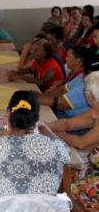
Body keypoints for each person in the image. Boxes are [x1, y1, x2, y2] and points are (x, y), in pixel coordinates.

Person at [0, 90, 69, 197]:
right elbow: (66, 153)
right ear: (37, 117)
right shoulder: (57, 146)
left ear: (8, 113)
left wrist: (5, 131)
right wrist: (45, 127)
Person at [40, 71, 99, 211]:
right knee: (61, 170)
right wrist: (45, 125)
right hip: (93, 167)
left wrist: (57, 133)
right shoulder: (96, 111)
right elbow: (68, 124)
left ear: (90, 95)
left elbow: (81, 143)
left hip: (95, 177)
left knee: (66, 183)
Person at [37, 47, 99, 120]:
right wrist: (41, 95)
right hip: (63, 115)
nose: (65, 59)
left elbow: (62, 103)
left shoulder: (89, 84)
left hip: (69, 120)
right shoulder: (81, 76)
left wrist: (33, 98)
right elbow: (62, 90)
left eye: (68, 56)